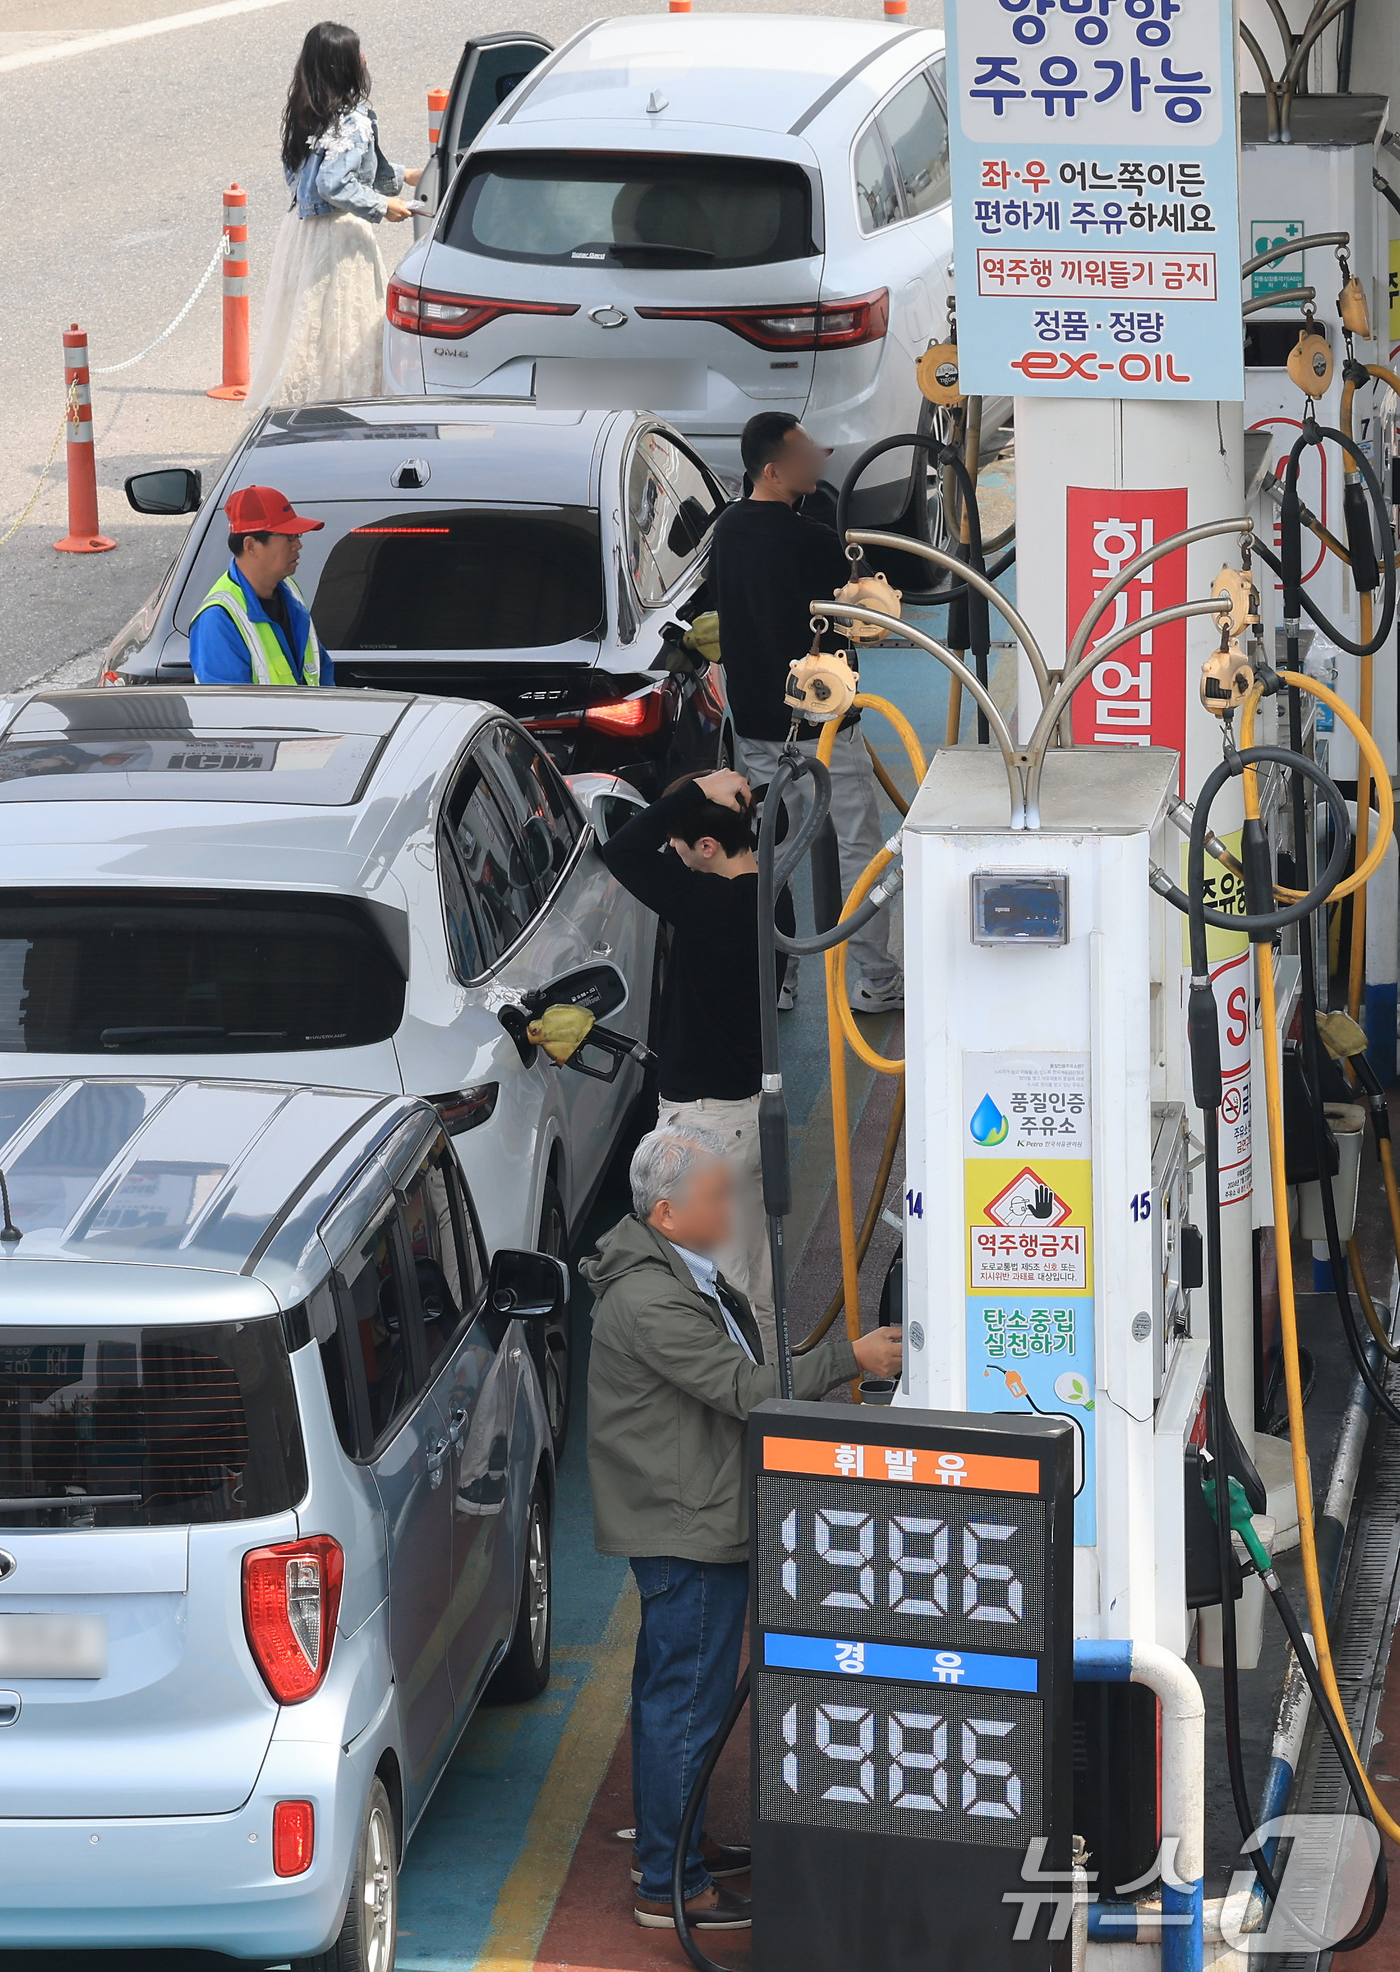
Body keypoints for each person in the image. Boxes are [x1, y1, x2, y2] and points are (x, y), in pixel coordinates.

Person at [584, 1125, 901, 1932]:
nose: (731, 1207)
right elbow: (743, 1387)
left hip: (691, 1513)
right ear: (666, 1212)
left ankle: (669, 1846)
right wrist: (854, 1357)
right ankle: (671, 1883)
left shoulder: (674, 1269)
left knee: (672, 1695)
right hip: (688, 1528)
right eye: (717, 1195)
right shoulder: (652, 1300)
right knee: (686, 1704)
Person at [707, 410, 904, 1013]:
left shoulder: (726, 531)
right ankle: (877, 980)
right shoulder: (812, 540)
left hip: (756, 725)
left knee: (773, 851)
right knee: (859, 849)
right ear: (773, 470)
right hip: (824, 726)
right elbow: (865, 608)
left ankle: (779, 978)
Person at [598, 768, 788, 1360]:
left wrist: (696, 792)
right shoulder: (771, 895)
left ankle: (742, 1397)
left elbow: (621, 850)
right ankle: (772, 1386)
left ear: (707, 846)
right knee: (754, 1281)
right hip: (749, 1116)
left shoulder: (707, 904)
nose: (672, 857)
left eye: (679, 846)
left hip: (706, 1127)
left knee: (716, 1293)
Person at [247, 21, 422, 411]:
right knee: (343, 329)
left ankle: (303, 405)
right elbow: (334, 183)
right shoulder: (353, 122)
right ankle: (343, 406)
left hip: (302, 233)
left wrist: (406, 175)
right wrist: (383, 206)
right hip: (339, 236)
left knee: (309, 326)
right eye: (357, 53)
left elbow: (323, 175)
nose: (364, 58)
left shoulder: (305, 114)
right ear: (343, 66)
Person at [188, 486, 332, 686]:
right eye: (289, 537)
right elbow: (227, 703)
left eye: (298, 536)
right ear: (251, 546)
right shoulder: (219, 619)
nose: (298, 545)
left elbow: (322, 671)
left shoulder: (290, 590)